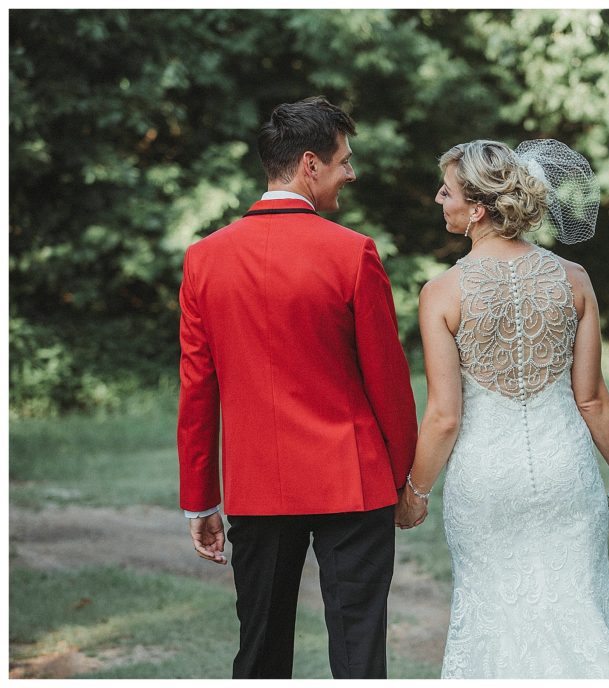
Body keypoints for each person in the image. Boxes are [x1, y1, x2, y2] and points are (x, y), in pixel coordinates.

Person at [177, 95, 417, 679]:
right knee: (360, 656)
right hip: (353, 482)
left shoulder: (204, 259)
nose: (351, 173)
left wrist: (201, 499)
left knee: (260, 650)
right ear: (310, 164)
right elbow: (388, 381)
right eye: (344, 161)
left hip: (258, 485)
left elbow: (197, 391)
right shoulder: (353, 253)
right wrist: (405, 478)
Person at [394, 139, 609, 678]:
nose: (438, 198)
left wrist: (416, 492)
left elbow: (444, 416)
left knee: (494, 623)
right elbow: (592, 399)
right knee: (581, 615)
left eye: (447, 191)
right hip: (564, 475)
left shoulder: (441, 293)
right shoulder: (574, 280)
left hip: (484, 481)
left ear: (477, 209)